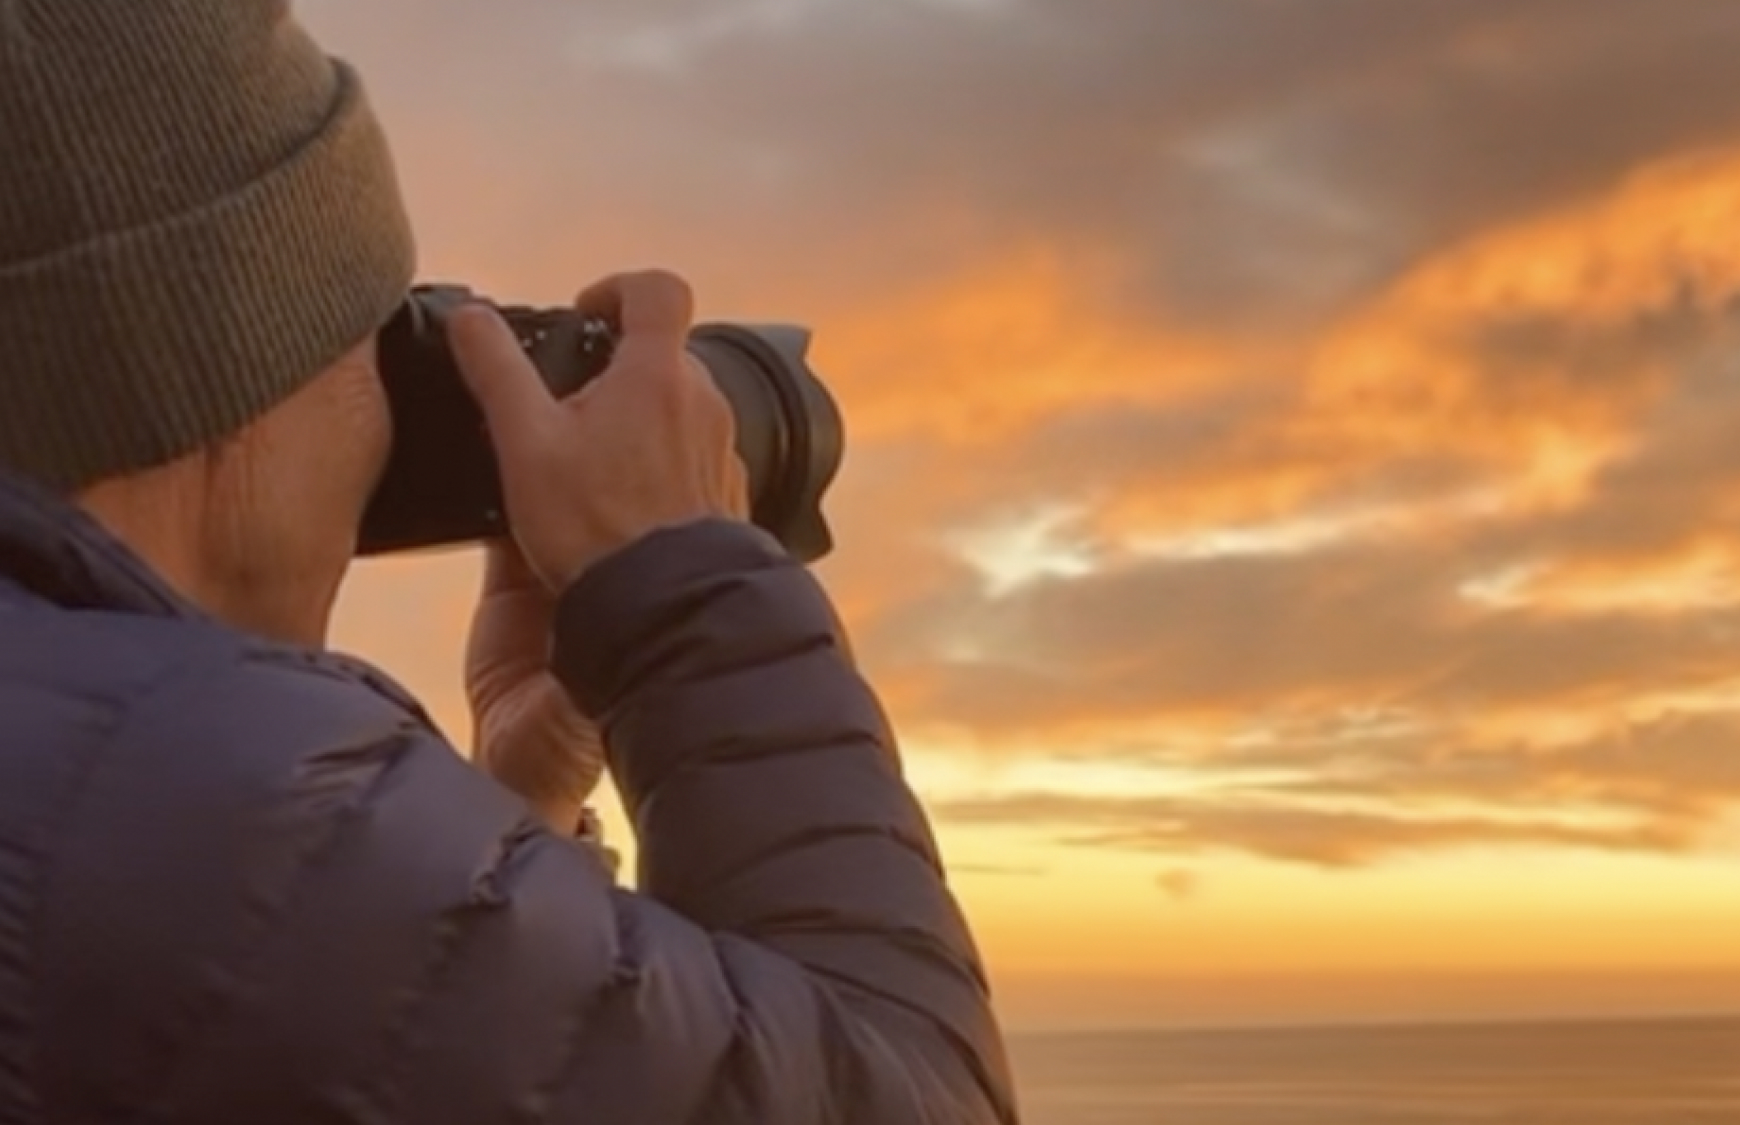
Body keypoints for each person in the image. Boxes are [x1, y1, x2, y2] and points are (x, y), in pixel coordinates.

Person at [0, 2, 1017, 1122]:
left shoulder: (107, 791)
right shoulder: (185, 795)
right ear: (213, 391)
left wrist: (497, 835)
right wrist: (691, 590)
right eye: (372, 346)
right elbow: (909, 1096)